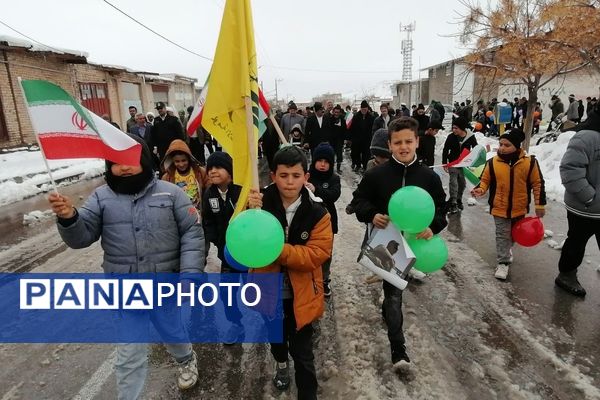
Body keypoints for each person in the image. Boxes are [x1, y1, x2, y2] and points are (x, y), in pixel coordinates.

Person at [47, 135, 203, 398]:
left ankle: (186, 359)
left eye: (130, 160)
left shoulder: (171, 193)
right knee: (129, 353)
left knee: (172, 332)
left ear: (143, 159)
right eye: (116, 162)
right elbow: (82, 236)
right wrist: (69, 219)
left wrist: (189, 275)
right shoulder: (101, 198)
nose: (124, 167)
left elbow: (192, 234)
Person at [350, 117, 447, 368]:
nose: (403, 147)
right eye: (397, 142)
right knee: (393, 296)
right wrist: (372, 214)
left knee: (392, 297)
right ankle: (399, 350)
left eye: (408, 141)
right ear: (390, 145)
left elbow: (442, 210)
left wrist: (432, 226)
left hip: (417, 244)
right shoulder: (377, 175)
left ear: (417, 141)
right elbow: (358, 201)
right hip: (388, 243)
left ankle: (390, 320)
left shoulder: (429, 177)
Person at [248, 146, 332, 399]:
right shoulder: (258, 204)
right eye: (283, 175)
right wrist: (248, 214)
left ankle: (308, 394)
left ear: (306, 177)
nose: (290, 182)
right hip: (268, 290)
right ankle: (281, 363)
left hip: (303, 294)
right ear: (273, 175)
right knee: (276, 339)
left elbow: (317, 254)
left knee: (304, 353)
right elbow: (244, 242)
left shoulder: (318, 211)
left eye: (296, 176)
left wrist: (277, 249)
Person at [471, 129, 546, 280]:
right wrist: (480, 189)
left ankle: (507, 249)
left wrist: (540, 205)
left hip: (519, 208)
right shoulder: (492, 163)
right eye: (500, 144)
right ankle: (503, 262)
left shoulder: (530, 163)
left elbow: (538, 184)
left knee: (514, 234)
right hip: (499, 207)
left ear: (517, 146)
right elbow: (485, 180)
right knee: (502, 234)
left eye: (507, 145)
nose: (502, 148)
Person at [555, 102, 600, 297]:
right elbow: (570, 170)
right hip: (585, 206)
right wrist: (590, 198)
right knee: (576, 242)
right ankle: (566, 274)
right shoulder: (587, 137)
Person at [201, 151, 247, 341]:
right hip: (226, 254)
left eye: (218, 167)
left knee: (256, 290)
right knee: (227, 292)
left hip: (249, 254)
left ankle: (268, 320)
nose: (212, 171)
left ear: (230, 171)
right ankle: (236, 324)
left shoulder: (241, 191)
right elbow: (208, 221)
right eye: (210, 168)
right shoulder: (209, 194)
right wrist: (217, 241)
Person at [307, 143, 341, 297]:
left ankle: (324, 279)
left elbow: (333, 195)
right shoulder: (307, 176)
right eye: (319, 160)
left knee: (326, 253)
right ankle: (309, 279)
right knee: (309, 251)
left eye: (326, 162)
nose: (322, 164)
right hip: (309, 221)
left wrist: (316, 190)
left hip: (328, 221)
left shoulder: (334, 178)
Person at [442, 116, 478, 214]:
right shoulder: (451, 137)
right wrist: (444, 162)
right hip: (453, 163)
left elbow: (475, 149)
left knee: (462, 183)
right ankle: (453, 203)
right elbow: (445, 149)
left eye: (456, 128)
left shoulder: (470, 137)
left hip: (464, 164)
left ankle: (458, 199)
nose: (454, 130)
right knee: (453, 182)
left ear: (462, 128)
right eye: (453, 128)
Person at [161, 139, 209, 209]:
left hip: (199, 214)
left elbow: (210, 189)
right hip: (178, 215)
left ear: (189, 159)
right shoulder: (166, 178)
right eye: (177, 161)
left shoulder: (200, 172)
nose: (181, 164)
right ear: (172, 161)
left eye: (184, 160)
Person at [350, 100, 375, 172]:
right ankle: (358, 165)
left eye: (365, 109)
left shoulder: (371, 117)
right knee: (356, 153)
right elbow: (352, 128)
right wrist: (352, 138)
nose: (364, 110)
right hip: (357, 139)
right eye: (363, 109)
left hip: (367, 140)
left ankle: (364, 167)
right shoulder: (356, 116)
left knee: (366, 154)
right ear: (360, 109)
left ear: (367, 109)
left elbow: (372, 129)